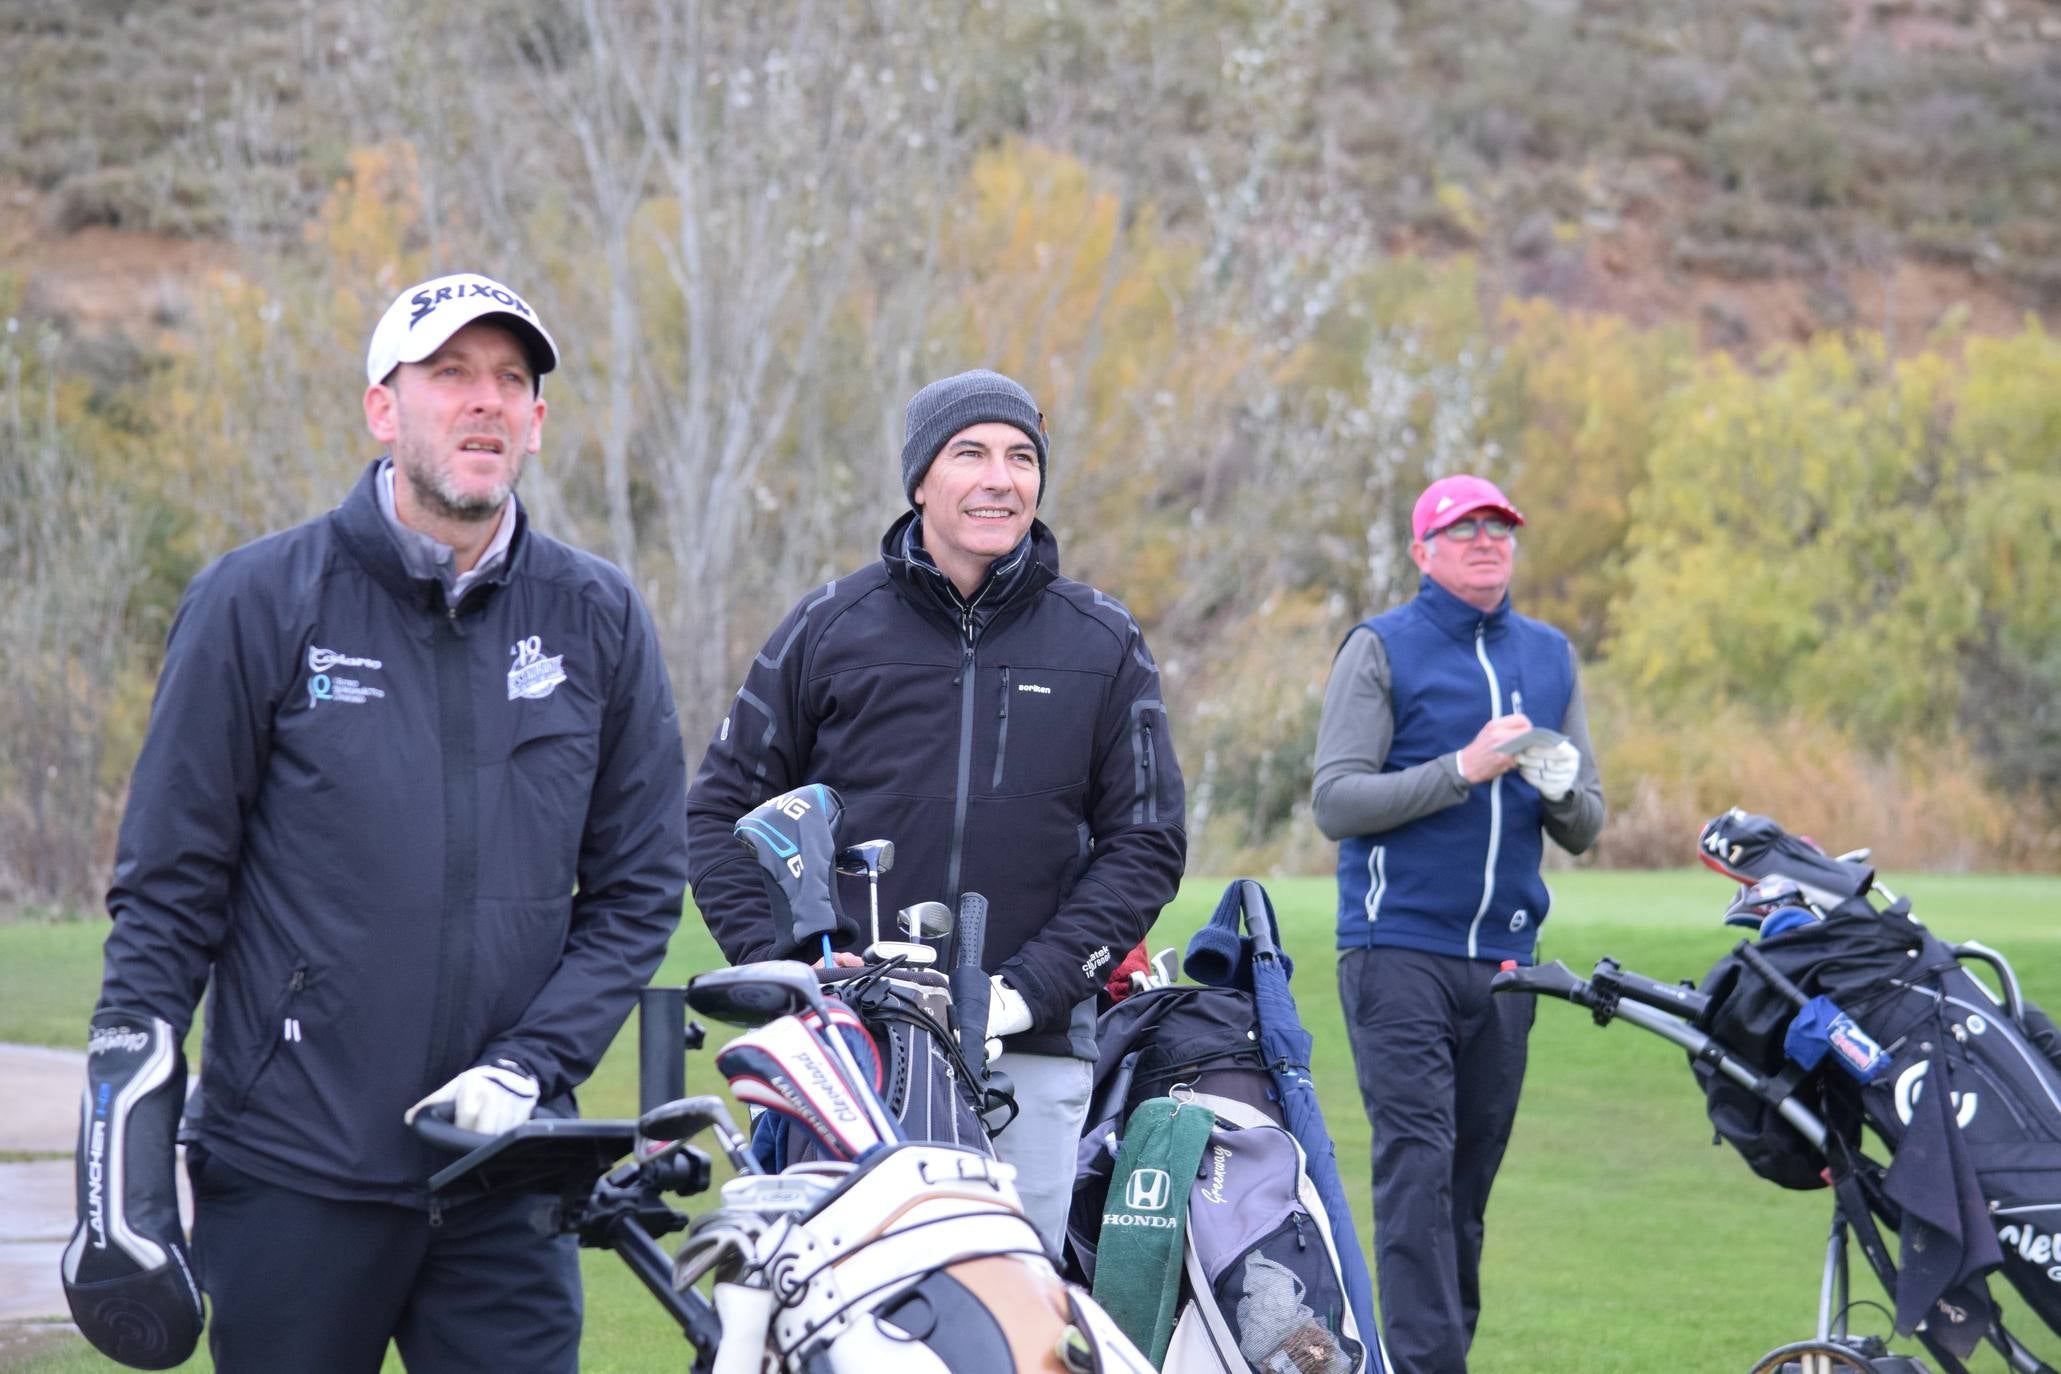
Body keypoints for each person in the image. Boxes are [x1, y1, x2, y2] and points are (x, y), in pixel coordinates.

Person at [66, 272, 690, 1373]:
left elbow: (640, 891)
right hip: (289, 1178)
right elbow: (167, 896)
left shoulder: (598, 617)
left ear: (538, 425)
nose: (484, 401)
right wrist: (122, 1162)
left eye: (510, 381)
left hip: (505, 1182)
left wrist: (532, 1065)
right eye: (450, 375)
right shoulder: (255, 601)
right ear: (382, 408)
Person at [685, 368, 1186, 1251]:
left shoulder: (1101, 639)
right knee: (849, 1315)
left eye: (1022, 457)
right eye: (971, 453)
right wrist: (789, 975)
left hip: (1027, 1054)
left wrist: (1023, 993)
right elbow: (719, 815)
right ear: (920, 479)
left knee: (1010, 1322)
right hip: (854, 1051)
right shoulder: (829, 627)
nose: (1001, 478)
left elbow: (1145, 844)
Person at [1311, 474, 1604, 1374]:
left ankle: (1436, 1356)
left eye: (1500, 529)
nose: (1486, 542)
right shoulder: (1382, 648)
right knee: (1417, 1176)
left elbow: (1585, 823)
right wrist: (1463, 769)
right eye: (1463, 529)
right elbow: (1337, 799)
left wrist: (1551, 780)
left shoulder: (1549, 657)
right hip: (1396, 949)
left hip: (1508, 962)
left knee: (1466, 1186)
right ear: (1422, 552)